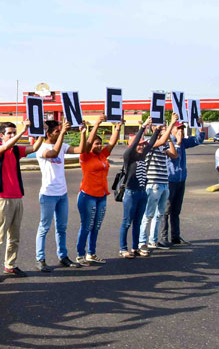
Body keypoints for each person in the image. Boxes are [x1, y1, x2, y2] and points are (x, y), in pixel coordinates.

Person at [0, 121, 43, 283]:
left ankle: (10, 264)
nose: (11, 135)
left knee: (14, 236)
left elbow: (34, 148)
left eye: (13, 132)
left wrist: (41, 134)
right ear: (1, 136)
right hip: (2, 198)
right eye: (9, 133)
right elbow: (5, 146)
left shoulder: (16, 150)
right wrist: (23, 131)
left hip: (17, 197)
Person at [34, 120, 86, 272]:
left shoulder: (62, 145)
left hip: (62, 193)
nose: (59, 132)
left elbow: (81, 149)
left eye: (59, 130)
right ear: (48, 133)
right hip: (48, 194)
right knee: (44, 227)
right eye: (56, 131)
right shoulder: (41, 148)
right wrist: (63, 132)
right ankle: (40, 259)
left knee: (62, 228)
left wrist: (83, 132)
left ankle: (63, 256)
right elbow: (54, 153)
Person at [75, 115, 122, 265]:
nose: (98, 146)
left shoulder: (102, 155)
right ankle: (80, 255)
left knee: (96, 226)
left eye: (100, 144)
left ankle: (91, 253)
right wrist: (97, 124)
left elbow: (112, 143)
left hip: (102, 196)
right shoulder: (85, 156)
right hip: (87, 196)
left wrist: (118, 127)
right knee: (86, 226)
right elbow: (88, 142)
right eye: (96, 144)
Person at [160, 118, 206, 246]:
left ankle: (176, 236)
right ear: (172, 130)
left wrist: (200, 126)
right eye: (178, 128)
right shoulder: (167, 142)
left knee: (176, 210)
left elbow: (198, 140)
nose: (181, 131)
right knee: (166, 210)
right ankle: (164, 237)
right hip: (169, 180)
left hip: (181, 180)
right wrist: (177, 143)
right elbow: (173, 156)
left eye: (182, 129)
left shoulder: (184, 142)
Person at [118, 118, 160, 258]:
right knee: (126, 222)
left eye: (142, 145)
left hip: (142, 193)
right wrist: (143, 127)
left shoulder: (142, 156)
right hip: (131, 193)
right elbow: (134, 144)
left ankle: (135, 247)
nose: (141, 147)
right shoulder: (128, 158)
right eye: (139, 145)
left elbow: (152, 143)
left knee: (138, 222)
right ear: (132, 146)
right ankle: (123, 248)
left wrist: (157, 129)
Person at [139, 113, 179, 250]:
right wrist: (171, 125)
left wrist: (169, 138)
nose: (162, 127)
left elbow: (174, 155)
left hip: (164, 183)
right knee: (148, 214)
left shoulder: (163, 144)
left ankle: (153, 240)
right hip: (153, 183)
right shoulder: (149, 142)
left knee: (159, 214)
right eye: (159, 126)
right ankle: (142, 241)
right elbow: (160, 142)